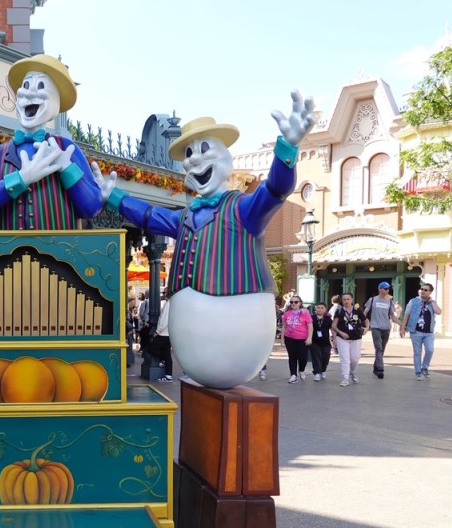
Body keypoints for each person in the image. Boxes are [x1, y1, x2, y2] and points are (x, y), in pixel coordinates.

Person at [93, 91, 317, 388]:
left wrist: (287, 149)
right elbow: (148, 215)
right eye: (188, 154)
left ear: (225, 160)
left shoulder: (243, 210)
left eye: (203, 149)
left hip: (239, 326)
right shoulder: (185, 217)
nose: (195, 159)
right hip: (194, 341)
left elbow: (275, 191)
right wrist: (114, 197)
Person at [0, 55, 103, 229]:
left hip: (60, 254)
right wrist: (21, 179)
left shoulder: (67, 149)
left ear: (55, 101)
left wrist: (67, 169)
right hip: (9, 254)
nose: (29, 93)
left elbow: (92, 208)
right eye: (26, 85)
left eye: (40, 86)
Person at [400, 282, 442, 380]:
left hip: (429, 332)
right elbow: (406, 315)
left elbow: (439, 312)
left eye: (425, 290)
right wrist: (403, 328)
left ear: (430, 292)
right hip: (416, 331)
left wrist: (432, 302)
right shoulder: (413, 301)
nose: (423, 291)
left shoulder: (432, 303)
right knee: (417, 352)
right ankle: (418, 372)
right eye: (422, 289)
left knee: (430, 350)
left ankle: (425, 368)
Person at [364, 282, 402, 379]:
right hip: (376, 327)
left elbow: (393, 317)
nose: (387, 290)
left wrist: (403, 325)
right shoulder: (372, 300)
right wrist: (363, 324)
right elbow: (365, 312)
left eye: (388, 289)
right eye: (385, 288)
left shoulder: (390, 302)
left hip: (386, 328)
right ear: (379, 289)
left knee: (382, 349)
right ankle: (380, 369)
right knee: (378, 348)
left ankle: (375, 366)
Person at [332, 292, 368, 387]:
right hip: (343, 338)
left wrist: (367, 328)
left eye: (348, 299)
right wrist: (340, 333)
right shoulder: (339, 311)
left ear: (352, 300)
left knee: (355, 358)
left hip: (356, 338)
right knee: (345, 359)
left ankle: (353, 372)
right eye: (344, 299)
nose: (346, 301)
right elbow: (333, 326)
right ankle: (345, 378)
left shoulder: (357, 310)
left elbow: (366, 320)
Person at [281, 294, 313, 383]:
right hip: (289, 338)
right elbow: (284, 327)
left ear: (300, 303)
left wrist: (309, 337)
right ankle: (293, 375)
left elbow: (310, 326)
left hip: (302, 339)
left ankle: (301, 370)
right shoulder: (287, 314)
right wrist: (282, 339)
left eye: (296, 302)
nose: (293, 303)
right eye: (291, 302)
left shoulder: (305, 313)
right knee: (292, 357)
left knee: (303, 358)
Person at [148, 291, 174, 382]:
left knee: (151, 348)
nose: (164, 294)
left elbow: (164, 319)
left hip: (163, 333)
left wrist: (157, 331)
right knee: (167, 354)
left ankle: (163, 359)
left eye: (165, 293)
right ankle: (168, 376)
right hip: (169, 333)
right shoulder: (174, 304)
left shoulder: (168, 304)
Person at [309, 302, 333, 381]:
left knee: (325, 357)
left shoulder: (328, 319)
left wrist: (334, 338)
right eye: (318, 307)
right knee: (316, 357)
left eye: (322, 308)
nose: (319, 309)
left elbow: (333, 328)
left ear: (325, 309)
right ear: (315, 309)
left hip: (326, 341)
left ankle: (323, 370)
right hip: (314, 341)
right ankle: (317, 373)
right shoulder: (311, 318)